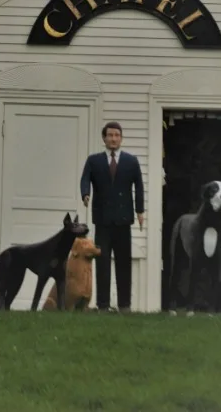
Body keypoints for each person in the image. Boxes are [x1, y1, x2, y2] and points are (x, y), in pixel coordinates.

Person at [80, 121, 144, 312]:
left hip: (124, 220)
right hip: (103, 221)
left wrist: (140, 211)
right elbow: (85, 178)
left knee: (124, 263)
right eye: (110, 135)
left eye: (117, 135)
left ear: (121, 138)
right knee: (103, 263)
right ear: (104, 138)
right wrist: (85, 193)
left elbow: (139, 186)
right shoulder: (94, 161)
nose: (113, 139)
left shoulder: (131, 162)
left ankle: (125, 305)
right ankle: (103, 305)